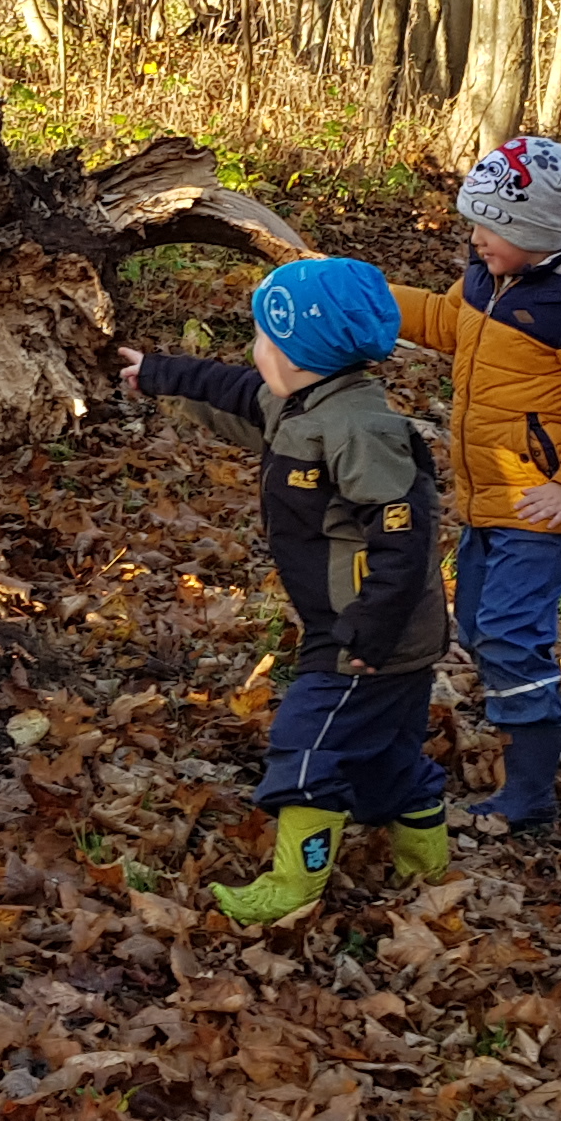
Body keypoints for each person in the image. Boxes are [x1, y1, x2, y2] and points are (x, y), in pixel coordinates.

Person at [120, 257, 453, 927]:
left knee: (308, 747)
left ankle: (294, 886)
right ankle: (426, 858)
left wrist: (368, 629)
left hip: (367, 633)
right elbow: (240, 393)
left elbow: (403, 537)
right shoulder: (305, 401)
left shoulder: (361, 430)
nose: (255, 350)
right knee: (385, 755)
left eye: (265, 339)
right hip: (364, 626)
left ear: (304, 353)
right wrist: (157, 373)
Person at [394, 134, 561, 832]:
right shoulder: (488, 280)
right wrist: (371, 300)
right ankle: (559, 738)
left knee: (508, 634)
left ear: (535, 234)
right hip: (489, 495)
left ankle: (531, 787)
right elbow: (448, 322)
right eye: (475, 224)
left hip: (541, 507)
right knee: (478, 623)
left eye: (491, 229)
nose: (476, 240)